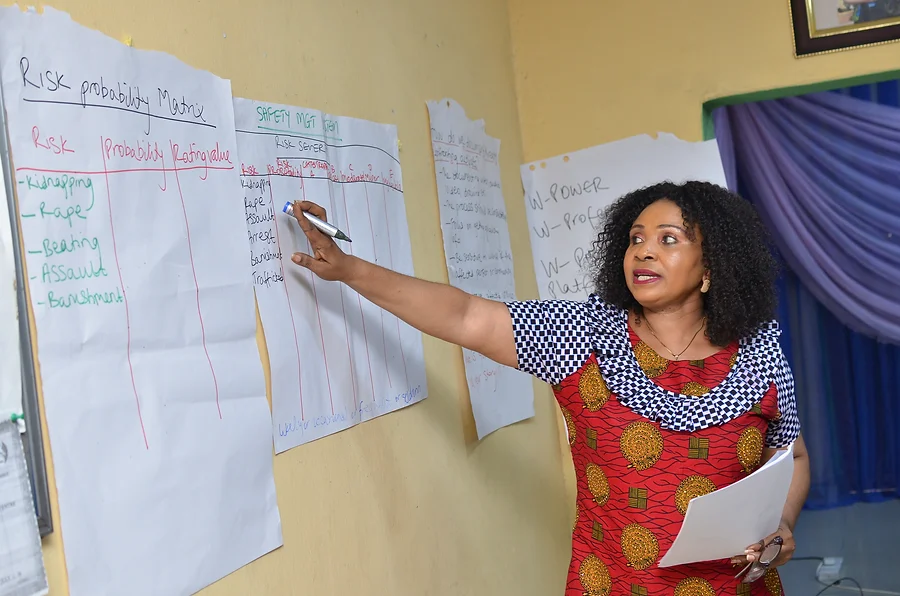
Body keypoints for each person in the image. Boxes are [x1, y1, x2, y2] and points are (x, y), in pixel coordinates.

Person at [288, 180, 810, 595]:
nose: (644, 251)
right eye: (635, 239)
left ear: (711, 269)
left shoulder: (759, 357)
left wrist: (782, 525)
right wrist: (352, 270)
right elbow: (467, 316)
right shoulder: (583, 336)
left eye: (668, 239)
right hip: (609, 584)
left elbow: (792, 457)